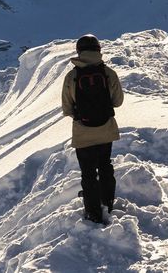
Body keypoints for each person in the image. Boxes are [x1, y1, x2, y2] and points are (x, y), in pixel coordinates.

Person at [61, 34, 125, 223]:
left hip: (83, 132)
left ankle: (93, 212)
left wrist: (80, 115)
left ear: (79, 52)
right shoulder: (108, 73)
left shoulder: (72, 76)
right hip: (106, 129)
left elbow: (66, 107)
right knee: (105, 165)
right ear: (98, 50)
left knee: (88, 173)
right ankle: (108, 202)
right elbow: (118, 101)